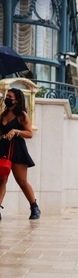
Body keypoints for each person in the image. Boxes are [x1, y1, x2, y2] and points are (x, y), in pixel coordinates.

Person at [0, 88, 40, 220]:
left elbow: (29, 133)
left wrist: (16, 131)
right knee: (2, 180)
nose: (7, 98)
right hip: (3, 148)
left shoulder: (22, 115)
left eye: (10, 96)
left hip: (17, 149)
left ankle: (34, 206)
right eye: (7, 96)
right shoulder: (3, 114)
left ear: (17, 99)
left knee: (22, 181)